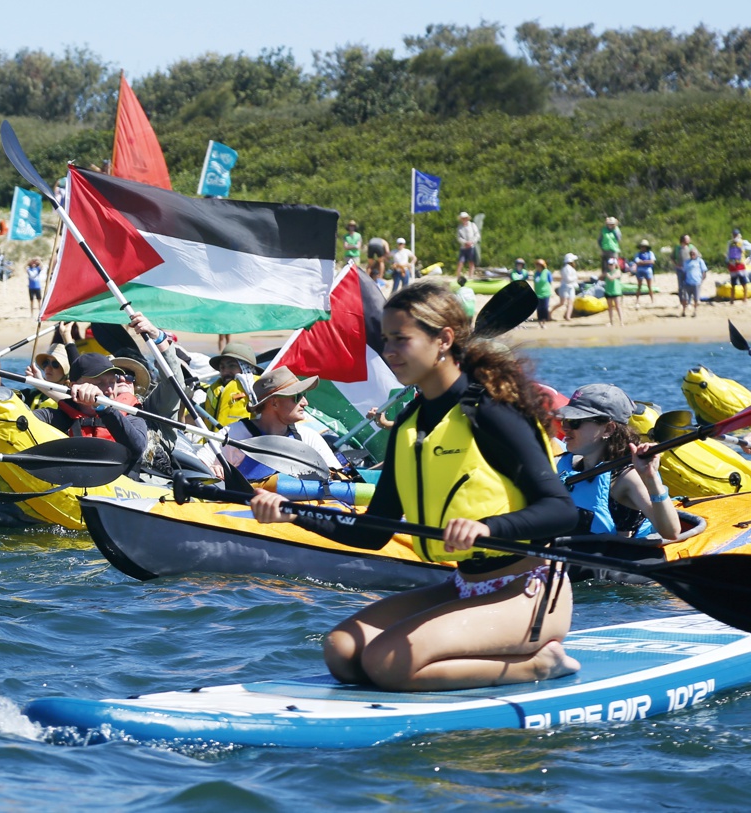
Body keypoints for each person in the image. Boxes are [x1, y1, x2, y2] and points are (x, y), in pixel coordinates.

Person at [249, 281, 579, 692]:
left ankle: (538, 664)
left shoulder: (492, 412)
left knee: (386, 661)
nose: (388, 351)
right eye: (386, 339)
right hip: (463, 584)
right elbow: (374, 533)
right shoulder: (410, 424)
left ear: (443, 340)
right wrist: (294, 513)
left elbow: (562, 510)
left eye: (400, 340)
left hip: (529, 590)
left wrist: (489, 528)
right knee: (342, 650)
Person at [552, 384, 680, 541]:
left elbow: (671, 532)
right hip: (567, 557)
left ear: (608, 429)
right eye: (565, 420)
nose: (565, 428)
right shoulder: (562, 464)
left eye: (575, 422)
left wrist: (651, 479)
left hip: (609, 559)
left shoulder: (626, 477)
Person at [218, 368, 343, 481]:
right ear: (274, 403)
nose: (305, 402)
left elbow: (338, 477)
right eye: (297, 396)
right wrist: (214, 469)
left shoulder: (308, 437)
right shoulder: (233, 434)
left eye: (304, 395)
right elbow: (203, 468)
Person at [27, 352, 150, 458]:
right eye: (99, 383)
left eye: (112, 382)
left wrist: (103, 408)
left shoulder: (130, 414)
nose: (110, 390)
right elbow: (21, 420)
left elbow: (137, 449)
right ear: (74, 386)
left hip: (119, 481)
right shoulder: (56, 416)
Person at [204, 343, 260, 427]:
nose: (225, 372)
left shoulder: (259, 392)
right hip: (214, 439)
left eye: (232, 366)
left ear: (246, 368)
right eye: (222, 367)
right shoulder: (216, 391)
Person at [725, 230, 751, 301]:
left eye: (736, 235)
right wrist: (727, 262)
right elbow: (728, 253)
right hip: (732, 265)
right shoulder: (729, 243)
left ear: (739, 235)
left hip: (740, 265)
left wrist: (750, 259)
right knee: (733, 283)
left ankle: (745, 298)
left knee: (743, 282)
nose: (735, 236)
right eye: (734, 235)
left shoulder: (743, 243)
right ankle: (732, 299)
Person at [677, 246, 707, 318]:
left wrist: (701, 280)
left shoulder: (700, 261)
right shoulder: (686, 262)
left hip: (696, 283)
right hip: (687, 283)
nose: (692, 255)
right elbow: (684, 272)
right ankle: (684, 311)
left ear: (696, 254)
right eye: (691, 253)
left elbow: (704, 271)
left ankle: (695, 311)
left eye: (693, 253)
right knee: (685, 298)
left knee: (696, 299)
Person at [455, 212, 480, 278]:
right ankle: (458, 276)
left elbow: (477, 235)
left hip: (471, 247)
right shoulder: (459, 227)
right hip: (463, 248)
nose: (464, 219)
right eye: (462, 218)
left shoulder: (472, 225)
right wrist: (465, 242)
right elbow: (458, 237)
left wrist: (472, 242)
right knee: (460, 262)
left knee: (471, 262)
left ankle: (470, 276)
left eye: (465, 218)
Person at [632, 240, 656, 306]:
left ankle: (652, 300)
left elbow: (652, 262)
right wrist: (647, 262)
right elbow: (637, 261)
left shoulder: (650, 253)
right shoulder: (638, 254)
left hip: (647, 270)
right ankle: (637, 300)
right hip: (640, 270)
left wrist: (642, 262)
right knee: (639, 286)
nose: (643, 248)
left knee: (649, 286)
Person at [556, 253, 580, 322]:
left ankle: (568, 316)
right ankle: (550, 312)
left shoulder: (570, 268)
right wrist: (575, 278)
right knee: (562, 302)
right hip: (565, 287)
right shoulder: (566, 268)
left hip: (571, 287)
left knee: (570, 302)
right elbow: (568, 279)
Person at [531, 259, 553, 327]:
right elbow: (534, 283)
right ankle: (540, 322)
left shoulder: (547, 272)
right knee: (539, 308)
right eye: (537, 265)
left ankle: (544, 322)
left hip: (545, 293)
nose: (537, 266)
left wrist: (551, 291)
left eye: (539, 265)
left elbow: (550, 282)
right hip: (538, 293)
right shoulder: (535, 273)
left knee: (545, 308)